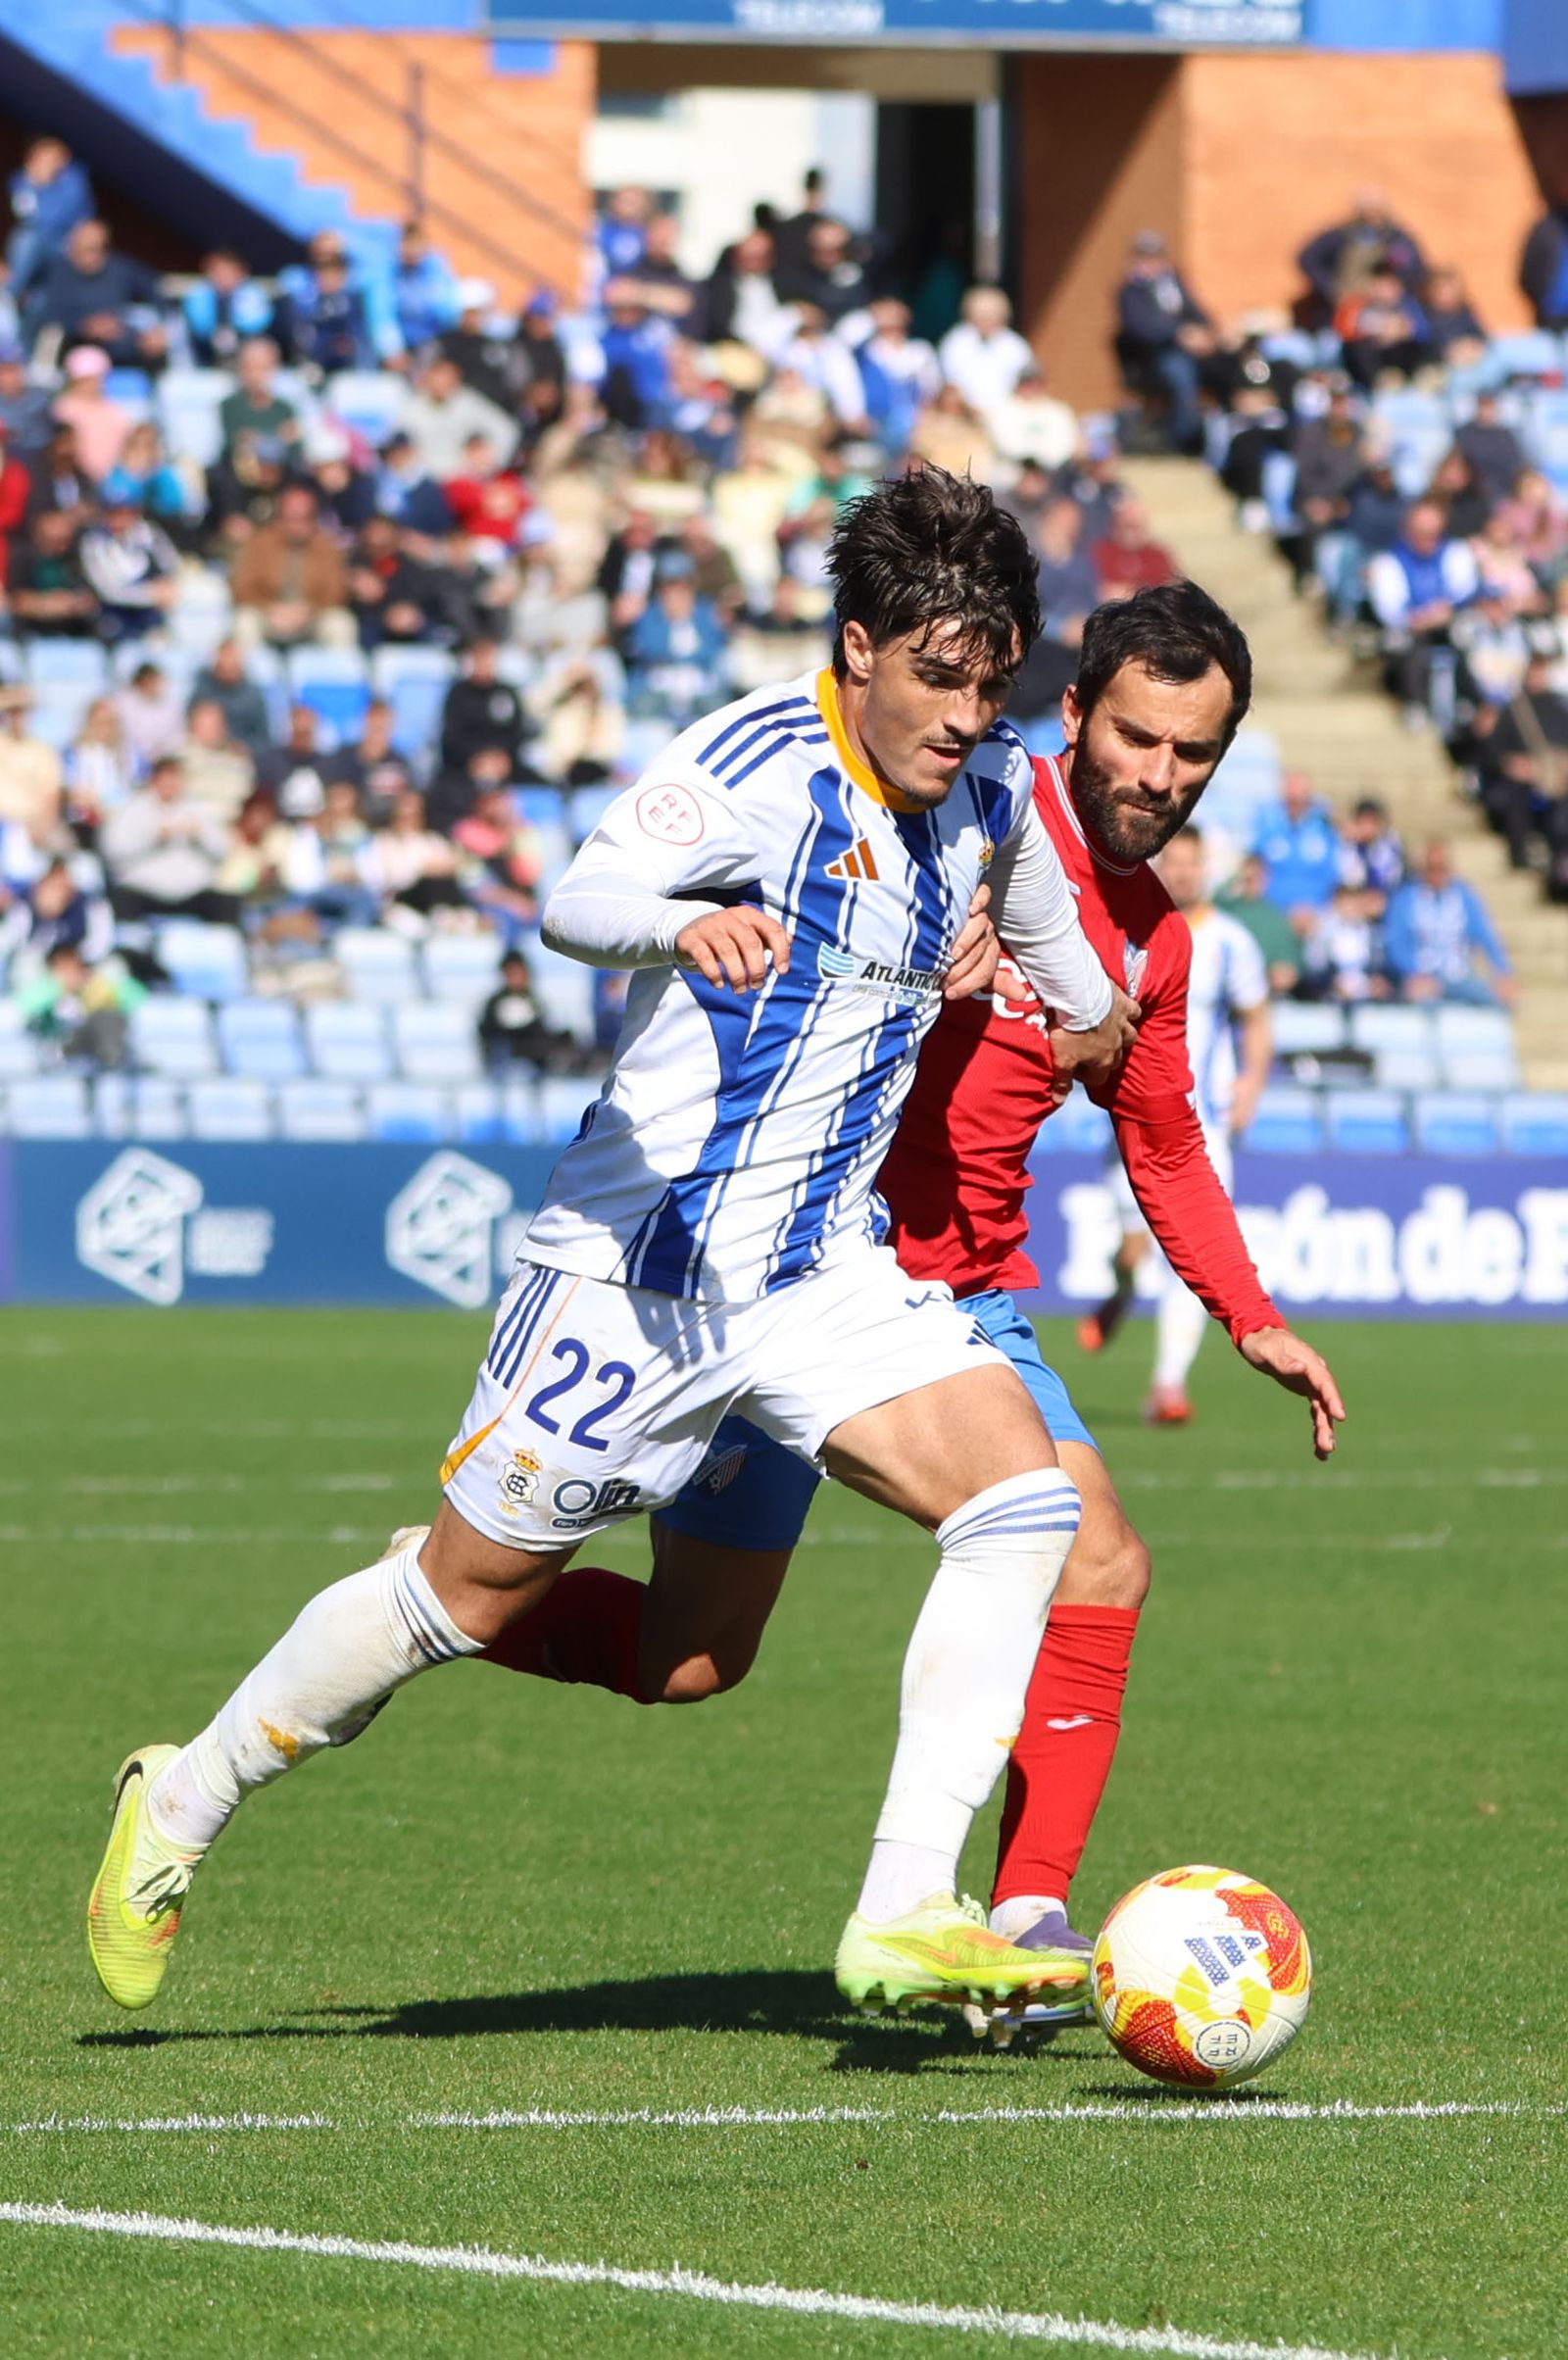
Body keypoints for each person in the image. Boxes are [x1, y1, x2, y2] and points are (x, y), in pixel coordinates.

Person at [88, 465, 1141, 2020]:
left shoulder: (992, 799)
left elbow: (1083, 986)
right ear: (859, 646)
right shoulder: (758, 759)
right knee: (461, 1601)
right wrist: (682, 923)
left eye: (989, 687)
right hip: (634, 1279)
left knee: (1018, 1505)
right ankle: (181, 1801)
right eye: (938, 677)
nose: (964, 717)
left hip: (819, 1277)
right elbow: (580, 897)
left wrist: (1066, 1005)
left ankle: (909, 1909)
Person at [472, 587, 1341, 2019]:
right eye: (1134, 737)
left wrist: (1248, 1314)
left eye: (1193, 753)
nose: (1157, 775)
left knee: (1091, 1562)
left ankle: (1024, 1920)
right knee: (686, 1658)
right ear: (1073, 716)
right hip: (792, 1263)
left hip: (958, 1298)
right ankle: (449, 1594)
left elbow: (1164, 1133)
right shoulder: (960, 814)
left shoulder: (1155, 942)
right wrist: (926, 980)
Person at [1080, 823, 1272, 1425]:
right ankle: (1121, 1288)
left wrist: (1251, 1083)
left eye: (1193, 863)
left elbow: (1257, 1017)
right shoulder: (1131, 927)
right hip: (1129, 1114)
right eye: (1175, 862)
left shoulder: (1231, 941)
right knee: (1133, 1249)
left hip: (1202, 1125)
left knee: (1186, 1255)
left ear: (1206, 869)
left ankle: (1168, 1385)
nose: (1184, 873)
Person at [98, 754, 237, 923]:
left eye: (175, 778)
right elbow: (113, 851)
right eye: (165, 778)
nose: (171, 784)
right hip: (143, 891)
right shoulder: (132, 809)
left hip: (193, 893)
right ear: (154, 779)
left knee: (226, 902)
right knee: (122, 901)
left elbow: (223, 852)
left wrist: (200, 838)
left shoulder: (199, 810)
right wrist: (153, 839)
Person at [1383, 838, 1516, 1006]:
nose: (1437, 874)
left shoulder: (1464, 896)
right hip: (1421, 977)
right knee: (1421, 1000)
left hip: (1460, 976)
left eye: (1442, 868)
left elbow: (1485, 935)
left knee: (1498, 999)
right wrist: (1413, 973)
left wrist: (1503, 972)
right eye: (1431, 868)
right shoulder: (1405, 898)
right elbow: (1395, 944)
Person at [1114, 232, 1214, 454]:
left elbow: (1198, 314)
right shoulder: (1130, 291)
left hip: (1190, 351)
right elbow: (1142, 329)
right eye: (1145, 257)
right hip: (1153, 356)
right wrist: (1179, 334)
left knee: (1225, 364)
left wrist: (1204, 332)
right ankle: (1184, 439)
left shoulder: (1173, 285)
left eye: (1155, 256)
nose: (1150, 263)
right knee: (1181, 374)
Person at [229, 482, 355, 653]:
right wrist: (269, 608)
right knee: (244, 621)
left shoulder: (327, 548)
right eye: (289, 518)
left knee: (341, 623)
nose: (295, 526)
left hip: (310, 616)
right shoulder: (258, 544)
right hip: (269, 614)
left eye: (303, 518)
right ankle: (253, 670)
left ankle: (336, 670)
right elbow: (241, 587)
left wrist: (309, 609)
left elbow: (337, 592)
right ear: (278, 517)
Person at [1298, 188, 1426, 321]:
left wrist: (1396, 288)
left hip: (1384, 310)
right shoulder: (1342, 235)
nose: (1372, 215)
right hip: (1342, 307)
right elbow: (1308, 259)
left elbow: (1416, 269)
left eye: (1376, 210)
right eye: (1368, 210)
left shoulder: (1396, 238)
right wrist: (1331, 287)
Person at [1250, 770, 1341, 930]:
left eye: (1299, 799)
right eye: (1290, 799)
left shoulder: (1325, 828)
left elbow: (1334, 874)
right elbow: (1255, 872)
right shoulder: (1267, 827)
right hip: (1274, 915)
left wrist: (1313, 910)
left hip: (1318, 916)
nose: (1294, 804)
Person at [938, 286, 1036, 422]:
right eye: (981, 315)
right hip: (964, 416)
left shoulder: (1016, 346)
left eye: (992, 314)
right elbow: (950, 386)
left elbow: (1026, 385)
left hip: (1008, 415)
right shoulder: (955, 342)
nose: (986, 319)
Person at [181, 248, 275, 368]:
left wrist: (235, 332)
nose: (222, 277)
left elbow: (259, 323)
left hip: (243, 349)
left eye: (227, 272)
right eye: (217, 272)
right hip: (206, 352)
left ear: (240, 273)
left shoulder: (253, 293)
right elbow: (198, 325)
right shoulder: (198, 294)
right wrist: (217, 334)